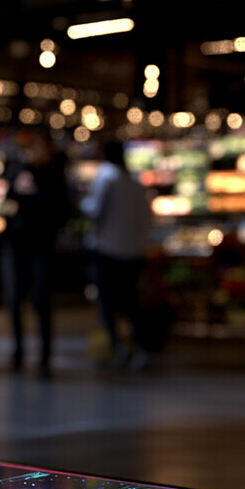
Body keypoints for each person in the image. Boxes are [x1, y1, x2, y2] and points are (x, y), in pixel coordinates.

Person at [0, 128, 69, 377]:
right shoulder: (21, 170)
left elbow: (60, 211)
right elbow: (8, 199)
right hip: (16, 243)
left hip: (40, 246)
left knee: (41, 301)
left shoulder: (54, 176)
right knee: (14, 300)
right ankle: (18, 351)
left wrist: (36, 193)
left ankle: (44, 357)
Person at [80, 138, 152, 370]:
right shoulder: (134, 181)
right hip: (135, 250)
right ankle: (140, 347)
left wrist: (81, 200)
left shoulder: (106, 176)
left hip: (108, 250)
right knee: (130, 301)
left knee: (108, 303)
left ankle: (117, 346)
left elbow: (94, 209)